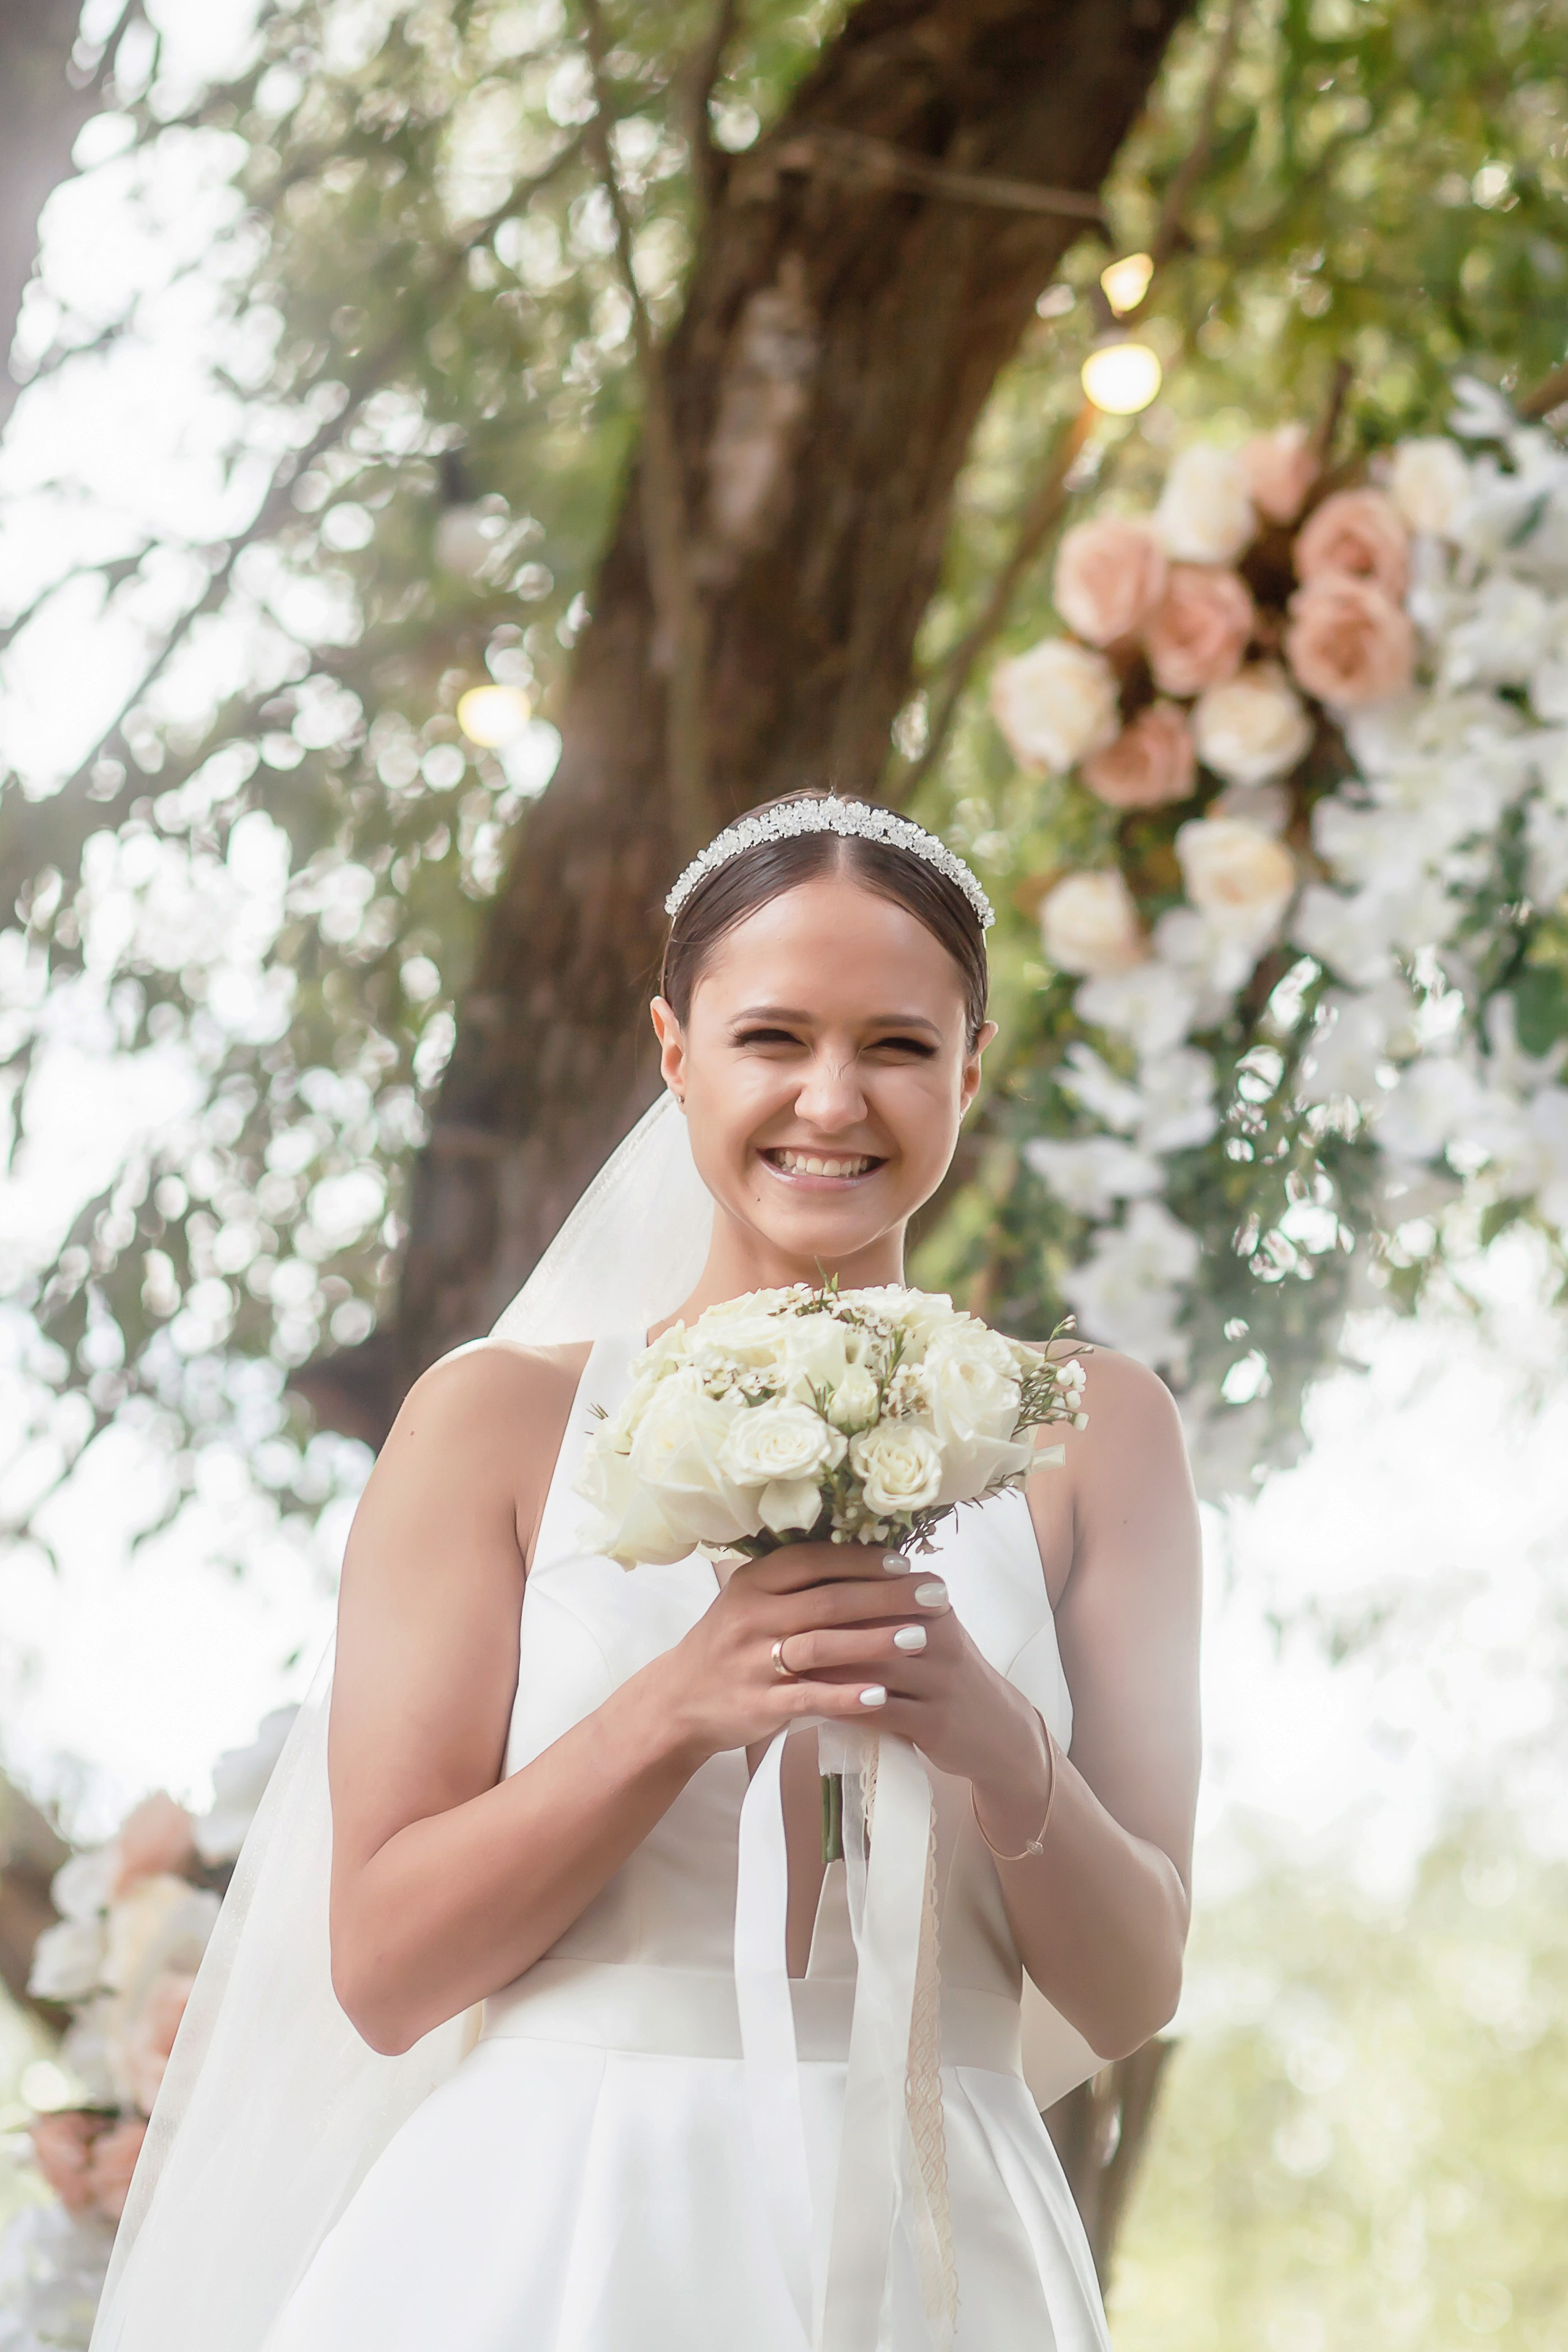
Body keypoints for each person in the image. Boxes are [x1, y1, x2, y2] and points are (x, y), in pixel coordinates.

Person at [92, 791, 1200, 2352]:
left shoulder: (1096, 1434)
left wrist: (988, 1730)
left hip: (939, 2238)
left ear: (969, 1065)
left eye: (894, 1044)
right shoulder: (489, 1422)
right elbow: (387, 1973)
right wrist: (674, 1705)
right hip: (559, 2224)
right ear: (675, 1054)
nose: (832, 1098)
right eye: (771, 1039)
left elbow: (1134, 1978)